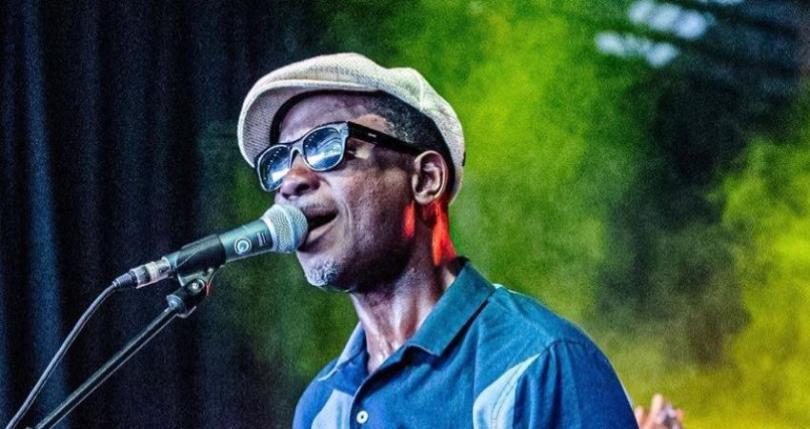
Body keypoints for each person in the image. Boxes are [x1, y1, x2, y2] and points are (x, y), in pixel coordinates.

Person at [236, 53, 639, 428]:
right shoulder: (320, 407)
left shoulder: (539, 363)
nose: (291, 181)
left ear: (426, 179)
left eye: (327, 145)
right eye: (279, 161)